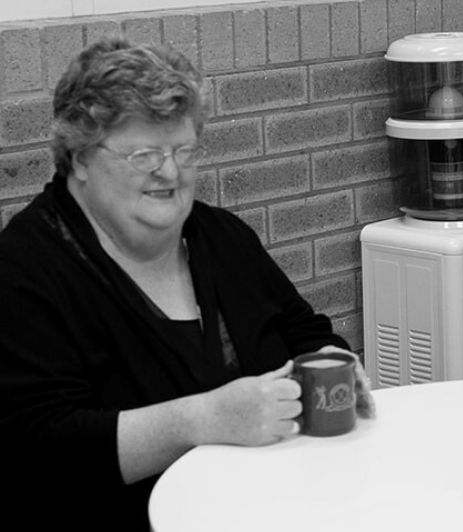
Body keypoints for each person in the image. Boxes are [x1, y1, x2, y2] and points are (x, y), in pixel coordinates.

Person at [0, 38, 376, 531]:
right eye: (144, 156)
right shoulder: (25, 268)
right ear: (81, 158)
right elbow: (38, 452)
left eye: (184, 150)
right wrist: (201, 420)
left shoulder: (220, 237)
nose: (171, 173)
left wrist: (335, 360)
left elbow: (304, 330)